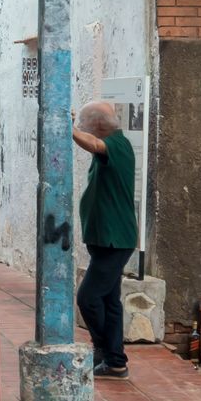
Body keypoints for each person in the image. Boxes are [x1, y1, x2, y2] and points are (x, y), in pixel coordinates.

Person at [71, 101, 138, 380]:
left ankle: (105, 351)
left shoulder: (118, 146)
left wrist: (67, 128)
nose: (84, 129)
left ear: (98, 126)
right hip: (107, 239)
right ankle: (115, 362)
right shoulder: (112, 146)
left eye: (86, 124)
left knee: (87, 298)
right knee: (110, 301)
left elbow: (93, 145)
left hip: (115, 239)